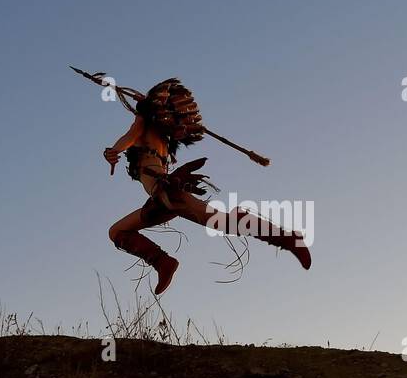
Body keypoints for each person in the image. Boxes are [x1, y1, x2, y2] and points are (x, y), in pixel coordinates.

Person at [104, 83, 311, 296]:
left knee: (216, 220)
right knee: (118, 232)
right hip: (163, 198)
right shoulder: (161, 139)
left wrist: (114, 150)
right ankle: (164, 263)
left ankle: (287, 238)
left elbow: (130, 135)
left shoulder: (144, 127)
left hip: (165, 193)